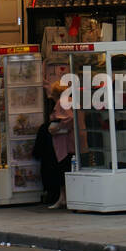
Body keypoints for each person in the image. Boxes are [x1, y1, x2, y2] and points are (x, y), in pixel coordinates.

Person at [46, 78, 75, 209]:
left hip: (64, 141)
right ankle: (64, 197)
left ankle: (64, 197)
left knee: (63, 168)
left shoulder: (61, 102)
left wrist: (58, 127)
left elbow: (69, 118)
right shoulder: (69, 101)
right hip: (70, 140)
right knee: (66, 168)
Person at [33, 99, 61, 205]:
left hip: (49, 160)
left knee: (50, 174)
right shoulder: (57, 127)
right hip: (55, 158)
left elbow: (38, 149)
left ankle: (51, 195)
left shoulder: (46, 128)